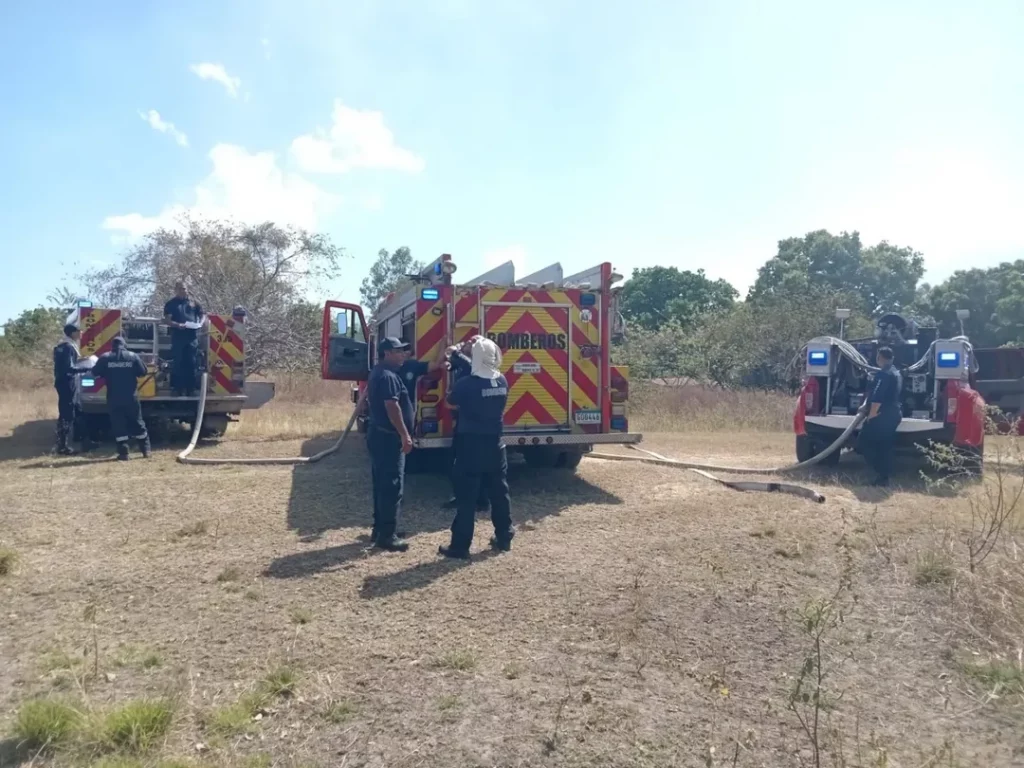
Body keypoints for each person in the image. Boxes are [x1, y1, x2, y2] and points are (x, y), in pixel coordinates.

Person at [439, 336, 514, 559]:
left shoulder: (466, 384)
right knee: (499, 494)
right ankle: (504, 537)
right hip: (496, 445)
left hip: (471, 445)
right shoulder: (502, 381)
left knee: (466, 497)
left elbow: (449, 402)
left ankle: (460, 546)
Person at [442, 338, 491, 512]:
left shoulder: (472, 365)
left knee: (462, 462)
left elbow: (453, 353)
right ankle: (477, 499)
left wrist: (455, 349)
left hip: (469, 422)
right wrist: (450, 363)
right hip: (469, 421)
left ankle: (471, 499)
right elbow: (454, 363)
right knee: (471, 462)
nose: (467, 343)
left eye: (472, 342)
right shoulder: (472, 366)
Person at [92, 336, 151, 461]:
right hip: (131, 397)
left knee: (118, 424)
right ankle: (145, 451)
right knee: (138, 422)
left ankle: (124, 454)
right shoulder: (133, 356)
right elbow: (143, 372)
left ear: (112, 346)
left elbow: (95, 372)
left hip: (114, 397)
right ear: (124, 345)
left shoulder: (105, 357)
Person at [858, 346, 903, 486]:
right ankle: (883, 476)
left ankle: (880, 473)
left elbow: (877, 397)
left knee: (864, 442)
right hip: (894, 414)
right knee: (884, 446)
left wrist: (871, 415)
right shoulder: (896, 372)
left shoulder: (883, 374)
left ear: (879, 358)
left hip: (882, 415)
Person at [163, 280, 205, 397]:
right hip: (178, 337)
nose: (183, 291)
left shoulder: (194, 303)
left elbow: (202, 314)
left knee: (192, 362)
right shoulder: (171, 304)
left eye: (184, 288)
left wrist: (201, 323)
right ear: (175, 290)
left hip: (191, 337)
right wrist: (177, 325)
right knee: (178, 362)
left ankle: (191, 389)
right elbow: (167, 320)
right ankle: (177, 389)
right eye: (180, 289)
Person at [53, 323, 86, 455]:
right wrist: (87, 368)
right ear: (73, 333)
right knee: (67, 413)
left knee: (76, 409)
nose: (81, 333)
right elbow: (69, 368)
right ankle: (62, 446)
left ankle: (82, 440)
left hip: (62, 382)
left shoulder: (61, 346)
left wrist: (82, 361)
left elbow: (65, 364)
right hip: (68, 383)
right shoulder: (68, 347)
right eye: (79, 331)